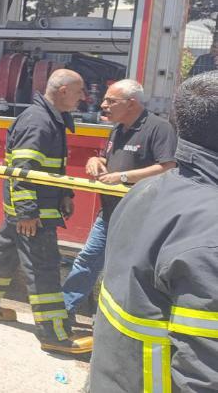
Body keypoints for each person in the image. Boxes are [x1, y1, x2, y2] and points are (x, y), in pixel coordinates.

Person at [89, 71, 218, 391]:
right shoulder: (210, 231)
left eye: (111, 100)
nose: (103, 105)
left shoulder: (143, 193)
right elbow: (205, 373)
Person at [0, 69, 93, 355]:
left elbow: (51, 167)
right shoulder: (39, 121)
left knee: (5, 252)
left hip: (34, 207)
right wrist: (27, 213)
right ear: (63, 91)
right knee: (43, 268)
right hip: (34, 212)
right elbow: (23, 171)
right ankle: (54, 335)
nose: (83, 97)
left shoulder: (49, 118)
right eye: (79, 91)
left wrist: (65, 193)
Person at [61, 80, 176, 315]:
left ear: (131, 103)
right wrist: (96, 160)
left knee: (124, 270)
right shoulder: (118, 129)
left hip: (140, 218)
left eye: (110, 101)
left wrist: (123, 177)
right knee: (87, 260)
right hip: (110, 213)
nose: (103, 105)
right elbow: (112, 158)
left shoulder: (159, 128)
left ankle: (109, 322)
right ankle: (63, 313)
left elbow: (167, 167)